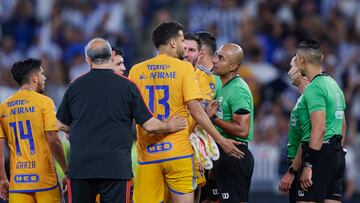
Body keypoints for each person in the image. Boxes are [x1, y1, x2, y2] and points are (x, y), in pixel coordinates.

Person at [56, 38, 187, 203]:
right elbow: (149, 125)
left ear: (87, 60)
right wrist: (169, 125)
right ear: (110, 57)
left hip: (81, 168)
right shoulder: (127, 86)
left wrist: (75, 129)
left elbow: (59, 123)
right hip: (115, 168)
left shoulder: (75, 86)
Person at [129, 21, 243, 203]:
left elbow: (129, 114)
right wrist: (221, 140)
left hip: (148, 154)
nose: (184, 45)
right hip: (178, 152)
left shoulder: (136, 70)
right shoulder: (184, 69)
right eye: (182, 41)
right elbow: (197, 111)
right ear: (173, 43)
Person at [0, 58, 67, 203]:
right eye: (42, 74)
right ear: (35, 78)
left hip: (18, 184)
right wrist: (66, 170)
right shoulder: (44, 102)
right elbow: (54, 141)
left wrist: (3, 178)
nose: (45, 78)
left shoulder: (4, 107)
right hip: (45, 182)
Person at [294, 39, 346, 203]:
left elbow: (319, 127)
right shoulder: (334, 84)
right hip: (337, 154)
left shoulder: (314, 88)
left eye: (296, 59)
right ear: (321, 58)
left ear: (301, 60)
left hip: (321, 153)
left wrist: (309, 165)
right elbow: (343, 125)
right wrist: (336, 154)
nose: (295, 63)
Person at [206, 43, 254, 203]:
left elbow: (242, 130)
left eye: (221, 58)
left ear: (233, 66)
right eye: (216, 56)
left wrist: (213, 119)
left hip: (235, 155)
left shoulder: (238, 90)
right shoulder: (223, 87)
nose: (214, 61)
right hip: (222, 154)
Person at [278, 57, 310, 203]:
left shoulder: (310, 99)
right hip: (300, 163)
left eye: (292, 67)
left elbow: (308, 137)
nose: (289, 71)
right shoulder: (302, 98)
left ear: (301, 70)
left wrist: (292, 170)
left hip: (303, 165)